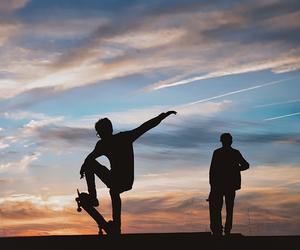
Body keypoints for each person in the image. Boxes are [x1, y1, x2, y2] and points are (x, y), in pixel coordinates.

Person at [80, 111, 177, 234]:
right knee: (94, 168)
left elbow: (146, 126)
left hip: (125, 180)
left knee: (113, 190)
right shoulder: (104, 144)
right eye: (100, 135)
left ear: (108, 131)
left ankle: (116, 225)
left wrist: (162, 116)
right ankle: (93, 198)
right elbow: (89, 159)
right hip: (114, 177)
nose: (102, 137)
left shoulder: (124, 138)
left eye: (101, 134)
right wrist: (84, 167)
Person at [208, 133, 249, 236]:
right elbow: (213, 171)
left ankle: (223, 230)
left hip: (223, 185)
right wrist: (235, 169)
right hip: (224, 185)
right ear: (230, 141)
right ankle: (224, 230)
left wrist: (235, 169)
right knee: (226, 209)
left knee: (221, 209)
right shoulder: (231, 153)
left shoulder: (221, 152)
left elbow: (212, 171)